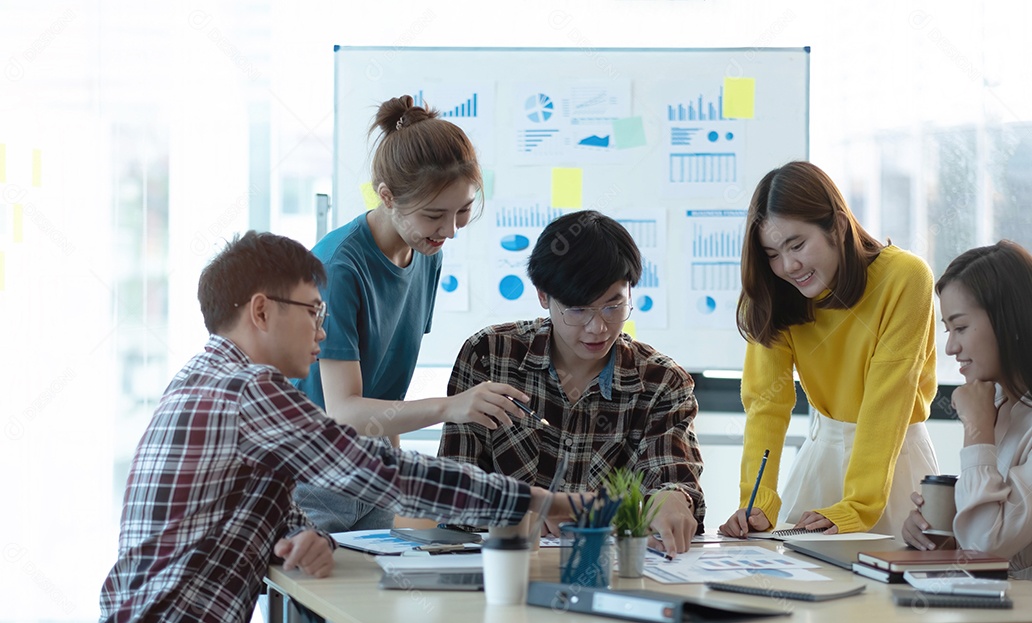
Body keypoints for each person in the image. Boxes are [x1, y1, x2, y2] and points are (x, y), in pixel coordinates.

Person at [98, 231, 576, 622]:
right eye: (313, 312)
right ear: (262, 311)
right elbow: (381, 471)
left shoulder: (199, 378)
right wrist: (539, 501)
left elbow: (270, 507)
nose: (323, 332)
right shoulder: (250, 389)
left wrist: (313, 539)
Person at [292, 95, 530, 532]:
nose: (451, 230)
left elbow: (384, 394)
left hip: (371, 467)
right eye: (434, 215)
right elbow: (343, 411)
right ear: (386, 196)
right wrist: (451, 407)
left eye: (462, 211)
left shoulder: (426, 253)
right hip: (312, 478)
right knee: (321, 598)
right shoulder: (338, 269)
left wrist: (394, 475)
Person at [438, 210, 706, 555]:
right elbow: (454, 488)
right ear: (543, 296)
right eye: (578, 310)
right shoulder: (490, 356)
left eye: (614, 306)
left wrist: (673, 499)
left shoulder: (661, 382)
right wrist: (522, 510)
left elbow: (672, 476)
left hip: (608, 575)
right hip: (504, 568)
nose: (599, 328)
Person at [718, 161, 939, 539]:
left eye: (797, 244)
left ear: (837, 225)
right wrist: (757, 499)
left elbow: (888, 397)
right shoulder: (777, 295)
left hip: (894, 461)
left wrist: (859, 506)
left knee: (886, 589)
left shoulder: (905, 277)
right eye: (772, 253)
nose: (787, 265)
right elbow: (766, 404)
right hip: (820, 456)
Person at [901, 240, 1032, 578]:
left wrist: (977, 429)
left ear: (1009, 321)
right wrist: (941, 533)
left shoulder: (988, 415)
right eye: (948, 329)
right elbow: (977, 539)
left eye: (960, 327)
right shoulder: (999, 404)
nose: (950, 347)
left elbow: (984, 549)